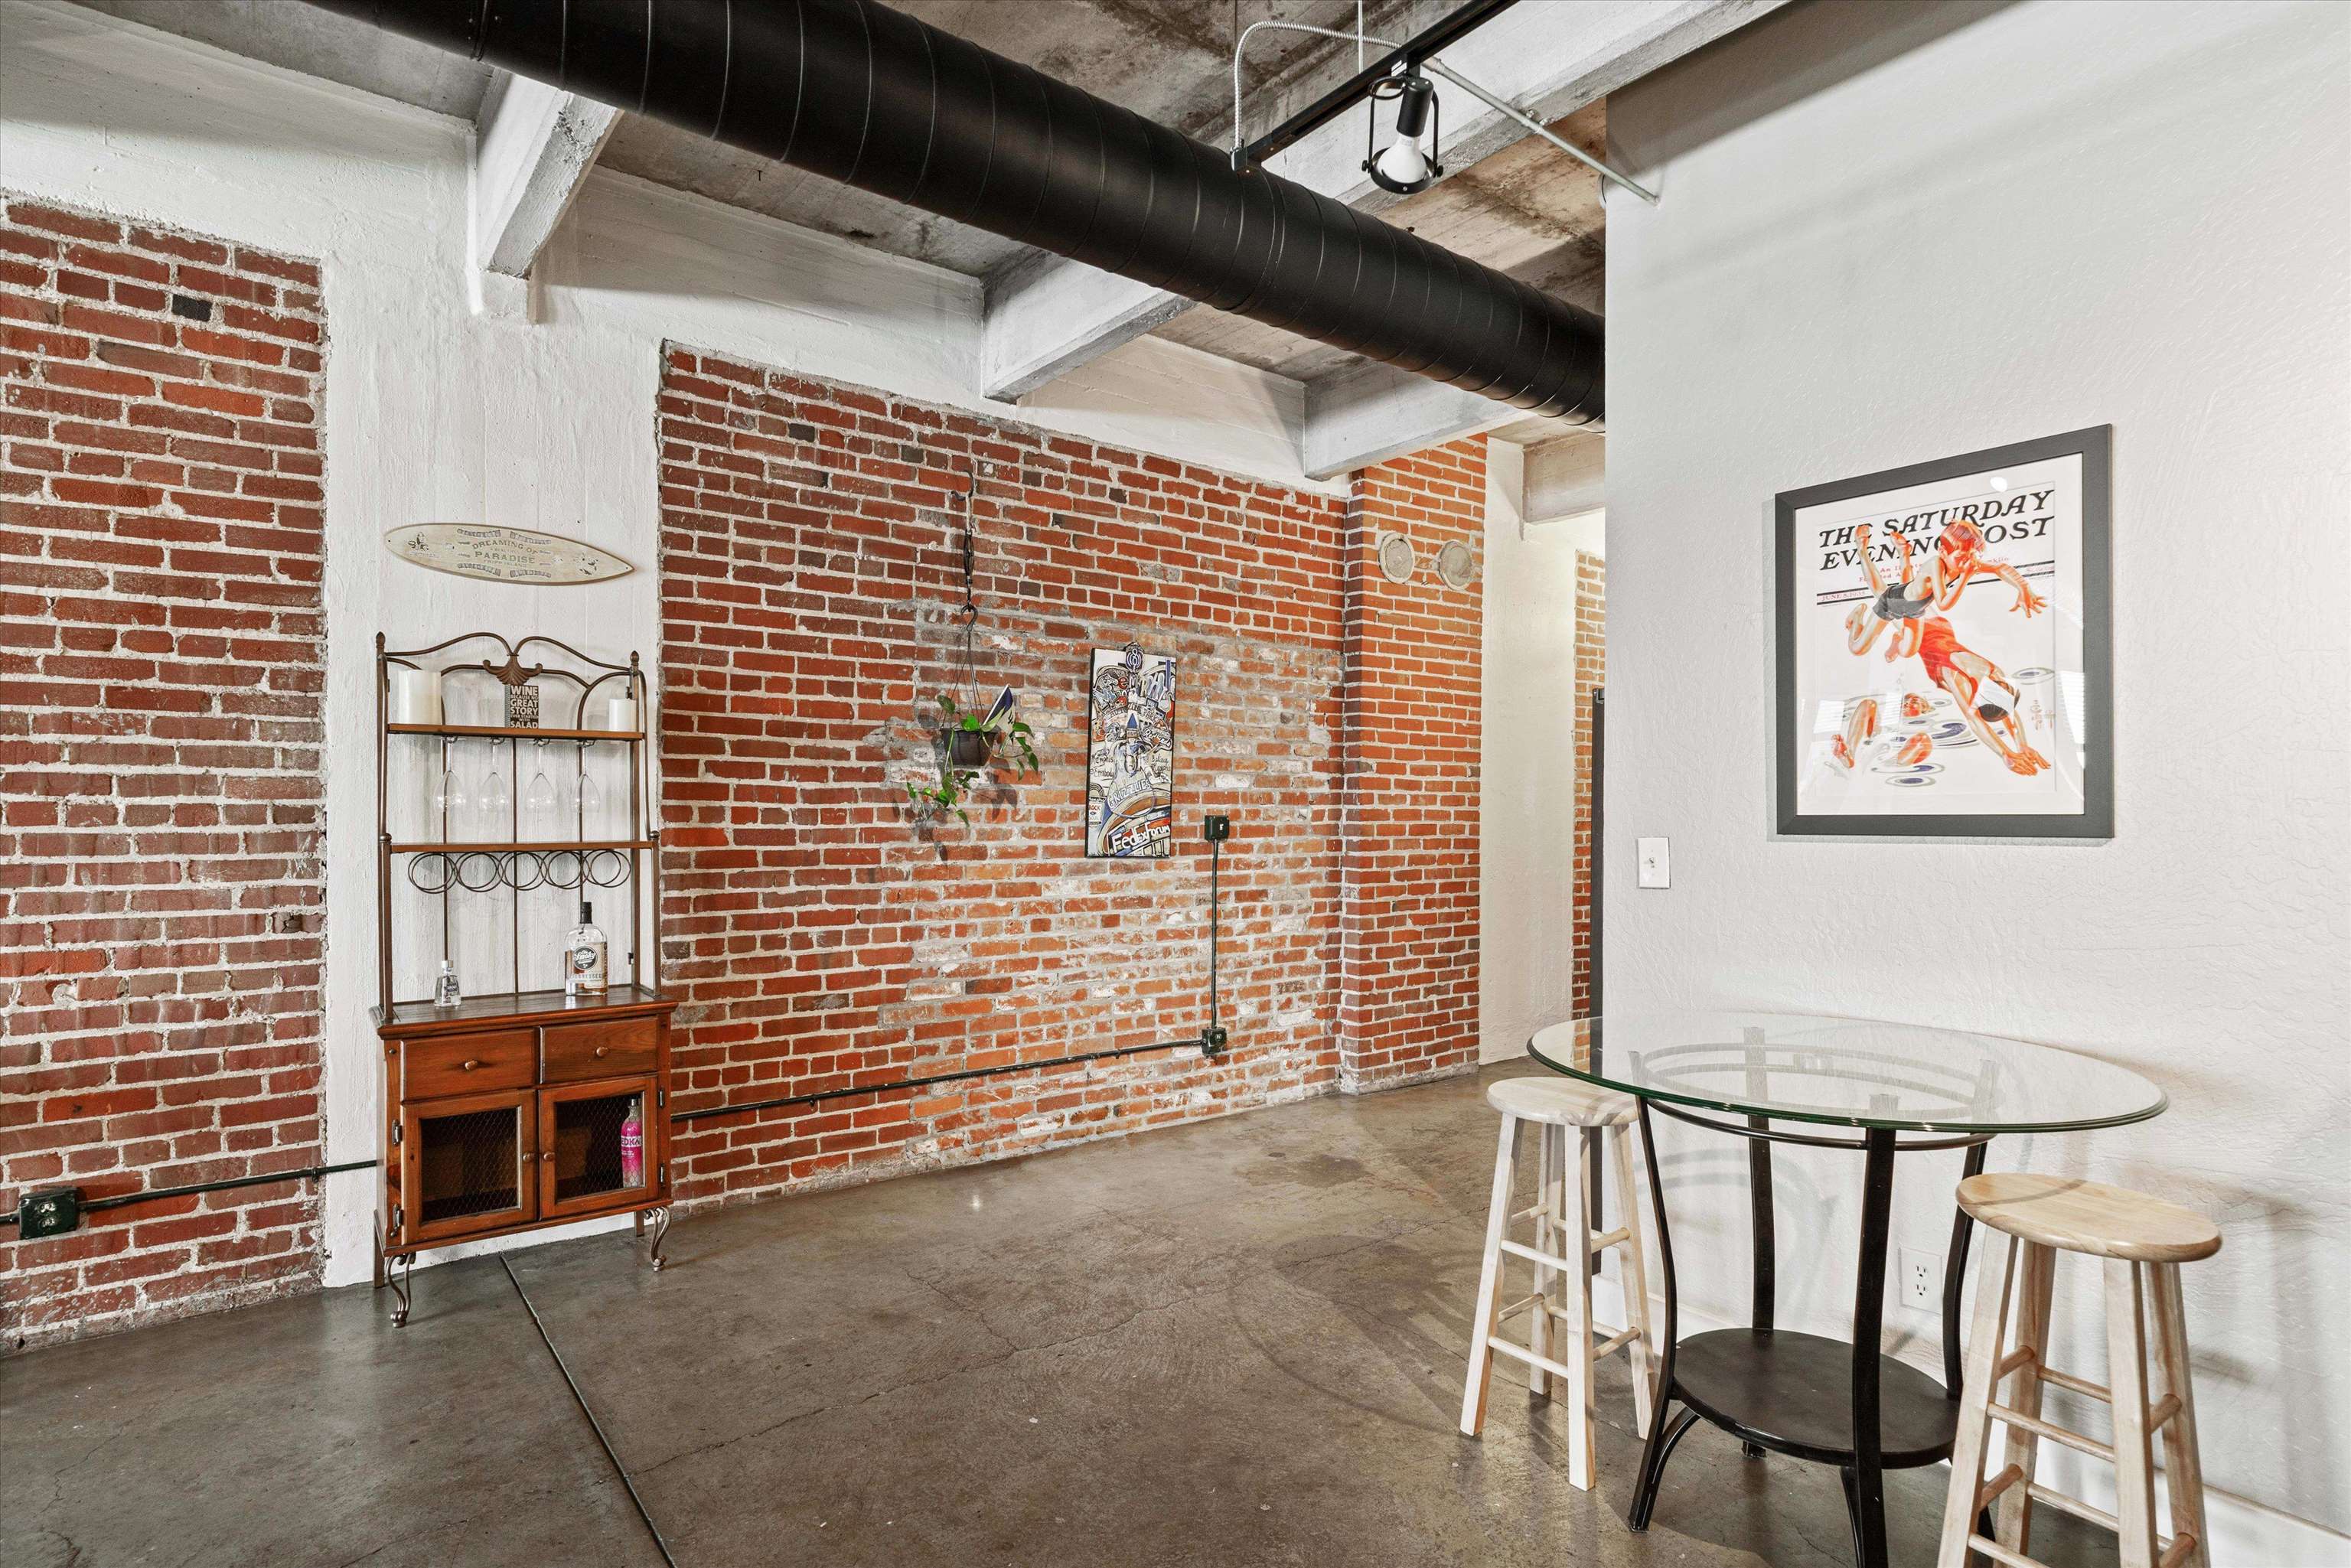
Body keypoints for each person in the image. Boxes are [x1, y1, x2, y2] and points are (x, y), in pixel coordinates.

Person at [1913, 615, 2049, 776]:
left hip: (1924, 630)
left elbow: (1991, 715)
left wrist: (2021, 746)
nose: (2004, 682)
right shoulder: (1980, 676)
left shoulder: (1984, 678)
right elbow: (1976, 719)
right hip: (1928, 629)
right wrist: (2005, 752)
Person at [1843, 523, 1935, 661]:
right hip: (1924, 625)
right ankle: (1864, 548)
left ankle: (1864, 548)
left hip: (1921, 624)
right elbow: (1910, 595)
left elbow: (1909, 595)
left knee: (1884, 593)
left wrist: (1904, 554)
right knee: (1857, 649)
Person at [1933, 518, 2046, 618]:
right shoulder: (1936, 564)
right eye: (1961, 555)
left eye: (1972, 554)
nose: (1969, 560)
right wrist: (1965, 576)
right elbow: (1943, 605)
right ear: (1942, 552)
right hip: (1915, 608)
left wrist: (2023, 588)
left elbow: (2000, 568)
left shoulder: (1964, 561)